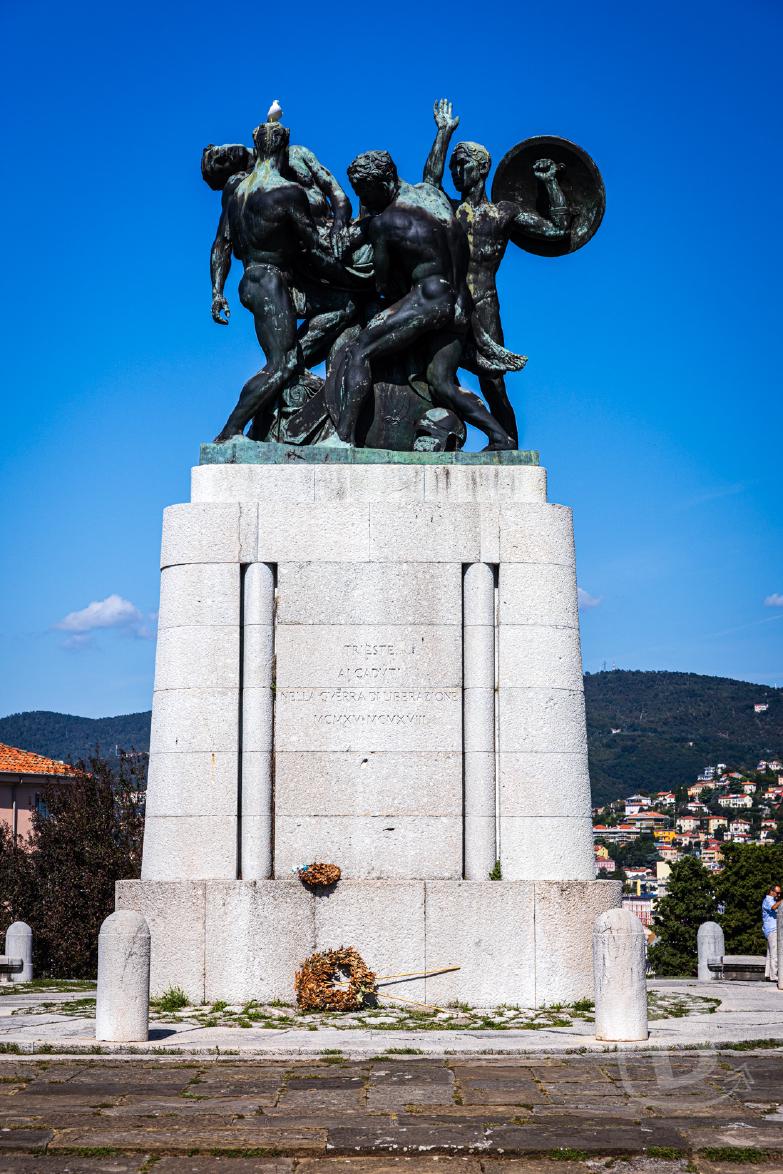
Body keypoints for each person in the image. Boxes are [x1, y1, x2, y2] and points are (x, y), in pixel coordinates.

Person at [325, 149, 515, 451]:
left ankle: (343, 437)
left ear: (384, 182)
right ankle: (501, 436)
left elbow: (382, 282)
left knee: (360, 350)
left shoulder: (385, 222)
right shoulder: (431, 194)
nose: (365, 199)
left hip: (427, 298)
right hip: (460, 303)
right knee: (442, 382)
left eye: (365, 192)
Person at [422, 99, 571, 446]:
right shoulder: (451, 209)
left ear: (482, 168)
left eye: (463, 166)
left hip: (484, 303)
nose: (457, 173)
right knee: (436, 372)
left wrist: (550, 183)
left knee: (493, 381)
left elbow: (557, 230)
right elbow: (430, 182)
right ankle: (444, 431)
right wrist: (443, 134)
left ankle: (509, 443)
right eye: (454, 167)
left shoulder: (502, 212)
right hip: (447, 302)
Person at [762, 883, 782, 981]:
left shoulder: (772, 900)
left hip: (771, 929)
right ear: (772, 891)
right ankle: (775, 976)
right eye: (777, 893)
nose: (779, 895)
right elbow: (773, 907)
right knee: (775, 953)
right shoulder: (767, 900)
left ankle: (768, 974)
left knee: (770, 953)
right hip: (772, 929)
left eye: (780, 893)